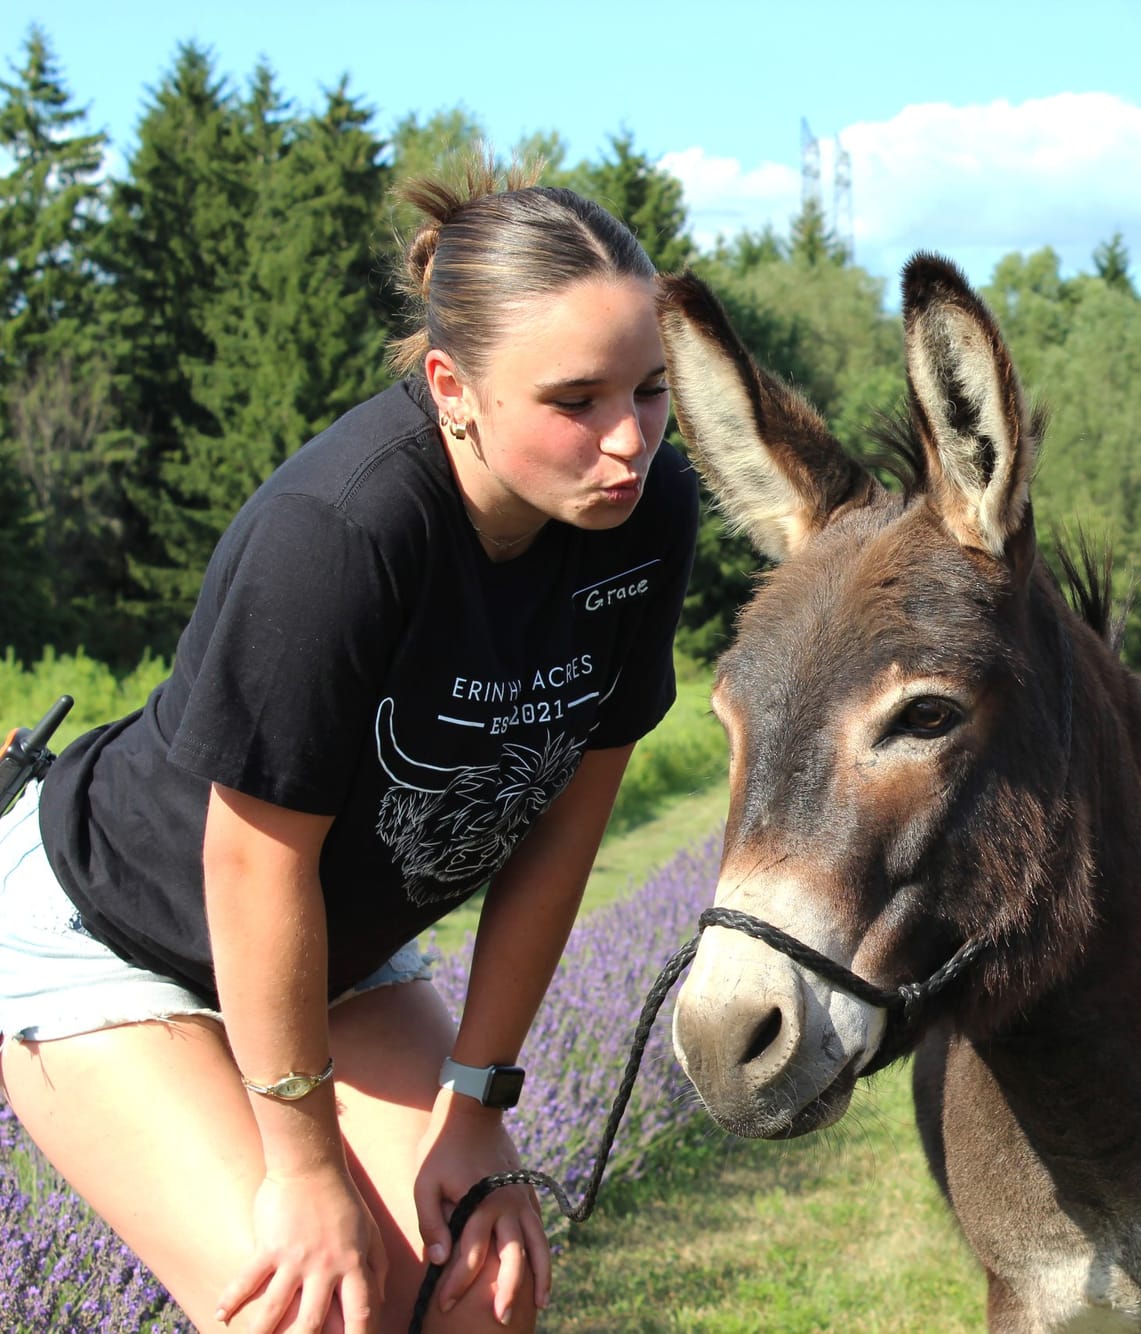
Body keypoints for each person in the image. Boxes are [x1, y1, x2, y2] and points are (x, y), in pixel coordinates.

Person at [0, 161, 699, 1332]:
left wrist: (477, 1098)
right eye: (576, 400)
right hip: (115, 931)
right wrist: (305, 1162)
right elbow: (250, 863)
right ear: (451, 386)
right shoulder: (344, 530)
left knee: (488, 1289)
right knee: (315, 1307)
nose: (627, 439)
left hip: (330, 952)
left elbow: (569, 824)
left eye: (652, 390)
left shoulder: (644, 519)